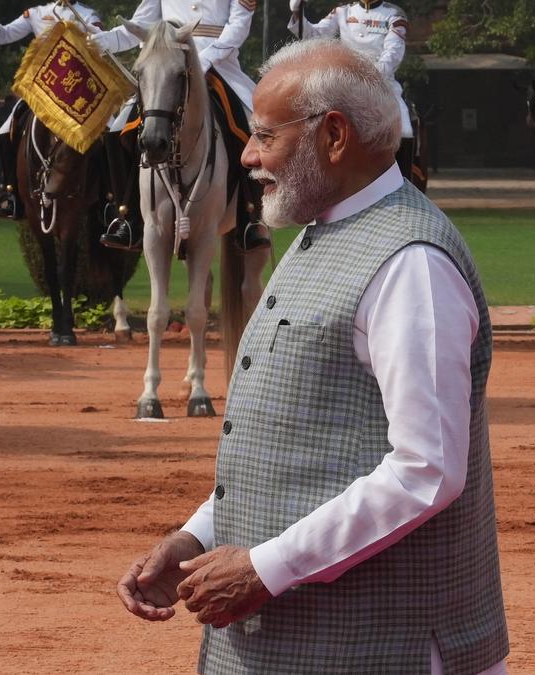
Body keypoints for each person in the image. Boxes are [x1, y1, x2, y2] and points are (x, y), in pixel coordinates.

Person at [117, 39, 508, 673]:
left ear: (333, 136)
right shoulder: (323, 231)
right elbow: (298, 446)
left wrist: (264, 569)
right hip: (299, 646)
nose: (246, 155)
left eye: (265, 136)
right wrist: (198, 537)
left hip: (384, 648)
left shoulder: (412, 264)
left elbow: (426, 471)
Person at [92, 0, 270, 252]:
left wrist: (203, 58)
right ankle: (127, 216)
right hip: (167, 65)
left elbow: (238, 27)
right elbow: (141, 24)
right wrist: (100, 42)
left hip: (217, 64)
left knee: (252, 125)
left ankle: (250, 218)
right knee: (118, 128)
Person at [0, 0, 103, 219]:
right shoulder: (36, 14)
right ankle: (12, 193)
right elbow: (1, 36)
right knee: (5, 132)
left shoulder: (88, 15)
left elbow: (100, 48)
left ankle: (109, 200)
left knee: (107, 133)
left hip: (76, 91)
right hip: (42, 91)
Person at [288, 0, 418, 176]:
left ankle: (404, 181)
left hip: (382, 85)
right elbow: (314, 36)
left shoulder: (394, 14)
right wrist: (297, 13)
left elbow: (393, 54)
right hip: (346, 83)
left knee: (404, 129)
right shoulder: (342, 12)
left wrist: (366, 76)